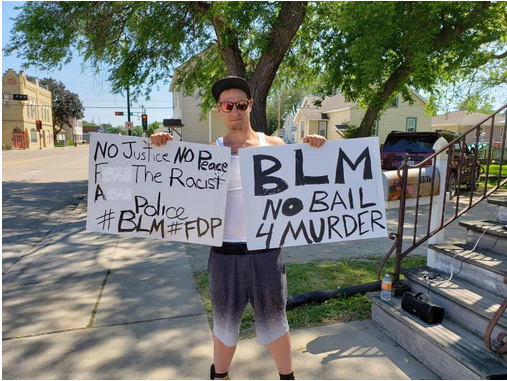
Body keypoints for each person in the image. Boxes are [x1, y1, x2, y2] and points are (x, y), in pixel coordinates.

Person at [150, 76, 326, 380]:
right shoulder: (209, 153)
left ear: (250, 106)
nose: (235, 111)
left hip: (267, 253)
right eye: (228, 105)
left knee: (276, 322)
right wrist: (160, 145)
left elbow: (306, 182)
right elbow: (171, 181)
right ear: (219, 110)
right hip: (223, 254)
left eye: (240, 104)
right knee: (225, 324)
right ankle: (219, 375)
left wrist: (315, 148)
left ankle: (287, 377)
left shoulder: (274, 145)